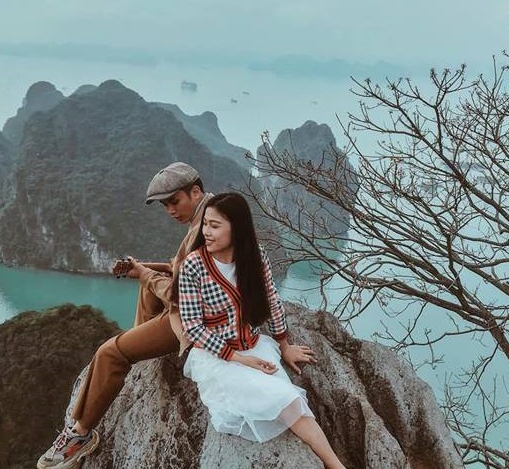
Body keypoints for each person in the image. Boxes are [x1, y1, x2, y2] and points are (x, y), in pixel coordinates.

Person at [37, 162, 213, 469]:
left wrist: (144, 272)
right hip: (200, 307)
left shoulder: (202, 230)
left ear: (195, 192)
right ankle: (139, 348)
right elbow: (185, 273)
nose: (170, 210)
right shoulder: (215, 215)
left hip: (193, 320)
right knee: (146, 286)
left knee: (109, 353)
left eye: (174, 201)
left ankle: (80, 435)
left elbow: (177, 294)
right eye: (165, 205)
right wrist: (146, 268)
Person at [178, 192, 346, 469]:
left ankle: (335, 465)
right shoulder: (193, 266)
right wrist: (241, 359)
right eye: (205, 224)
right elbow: (193, 328)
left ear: (237, 228)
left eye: (215, 225)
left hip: (255, 346)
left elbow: (271, 301)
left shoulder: (255, 258)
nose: (206, 232)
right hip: (218, 358)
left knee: (290, 401)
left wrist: (284, 344)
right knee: (282, 397)